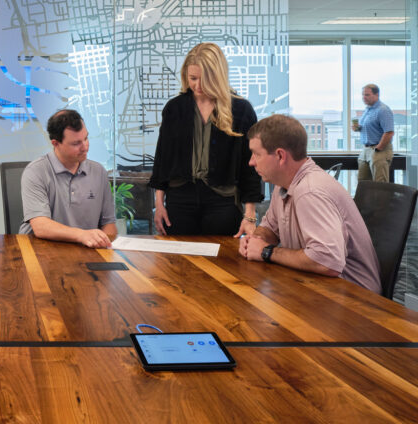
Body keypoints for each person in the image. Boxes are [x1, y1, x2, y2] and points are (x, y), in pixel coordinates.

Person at [239, 114, 381, 293]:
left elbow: (327, 262)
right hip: (318, 288)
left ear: (280, 156)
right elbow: (270, 229)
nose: (251, 162)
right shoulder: (283, 185)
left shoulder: (310, 191)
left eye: (257, 154)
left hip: (355, 300)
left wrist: (266, 252)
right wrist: (255, 240)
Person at [149, 42, 262, 237]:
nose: (197, 86)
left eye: (204, 79)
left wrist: (249, 214)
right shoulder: (174, 108)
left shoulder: (241, 110)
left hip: (223, 200)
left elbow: (249, 166)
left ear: (217, 77)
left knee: (222, 261)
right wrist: (159, 205)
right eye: (193, 78)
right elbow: (162, 160)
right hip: (179, 199)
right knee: (179, 260)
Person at [20, 109, 117, 248]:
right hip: (42, 251)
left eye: (86, 138)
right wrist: (82, 235)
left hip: (86, 251)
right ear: (56, 143)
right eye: (76, 143)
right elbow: (41, 226)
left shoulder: (99, 172)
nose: (85, 147)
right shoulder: (36, 172)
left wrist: (104, 248)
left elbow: (109, 224)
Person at [352, 83, 394, 182]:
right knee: (363, 183)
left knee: (380, 185)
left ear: (377, 95)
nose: (364, 97)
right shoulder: (367, 110)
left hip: (379, 150)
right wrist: (357, 128)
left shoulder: (383, 110)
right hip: (366, 150)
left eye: (367, 95)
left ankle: (382, 198)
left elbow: (389, 132)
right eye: (363, 95)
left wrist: (378, 149)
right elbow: (369, 128)